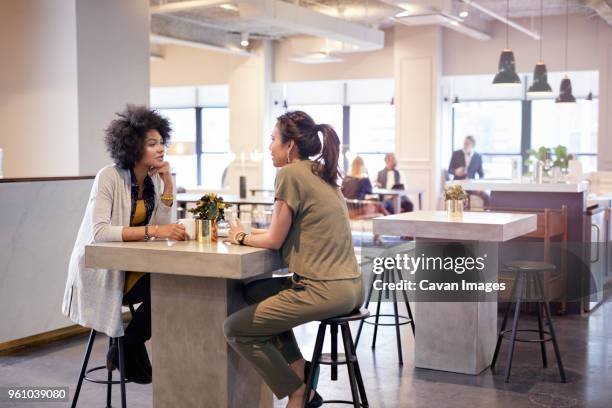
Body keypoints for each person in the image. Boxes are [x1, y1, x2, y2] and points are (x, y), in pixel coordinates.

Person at [223, 111, 364, 408]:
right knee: (251, 292)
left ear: (290, 146)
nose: (270, 146)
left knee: (235, 329)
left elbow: (274, 240)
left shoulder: (289, 174)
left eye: (273, 139)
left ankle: (298, 391)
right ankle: (298, 364)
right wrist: (253, 233)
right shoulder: (320, 172)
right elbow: (292, 228)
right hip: (351, 287)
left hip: (322, 289)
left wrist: (238, 237)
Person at [61, 105, 189, 384]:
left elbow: (163, 224)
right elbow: (101, 232)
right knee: (167, 285)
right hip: (101, 271)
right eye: (152, 143)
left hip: (131, 268)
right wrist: (156, 230)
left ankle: (128, 343)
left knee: (177, 282)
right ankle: (128, 345)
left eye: (161, 142)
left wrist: (168, 182)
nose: (161, 149)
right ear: (132, 146)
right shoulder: (108, 177)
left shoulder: (152, 181)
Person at [448, 135, 489, 206]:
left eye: (467, 143)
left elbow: (481, 174)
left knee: (486, 196)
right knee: (464, 198)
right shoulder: (456, 154)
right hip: (458, 185)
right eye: (464, 143)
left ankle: (487, 215)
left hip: (471, 185)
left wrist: (480, 186)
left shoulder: (478, 157)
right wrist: (455, 172)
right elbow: (449, 170)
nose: (465, 145)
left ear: (472, 145)